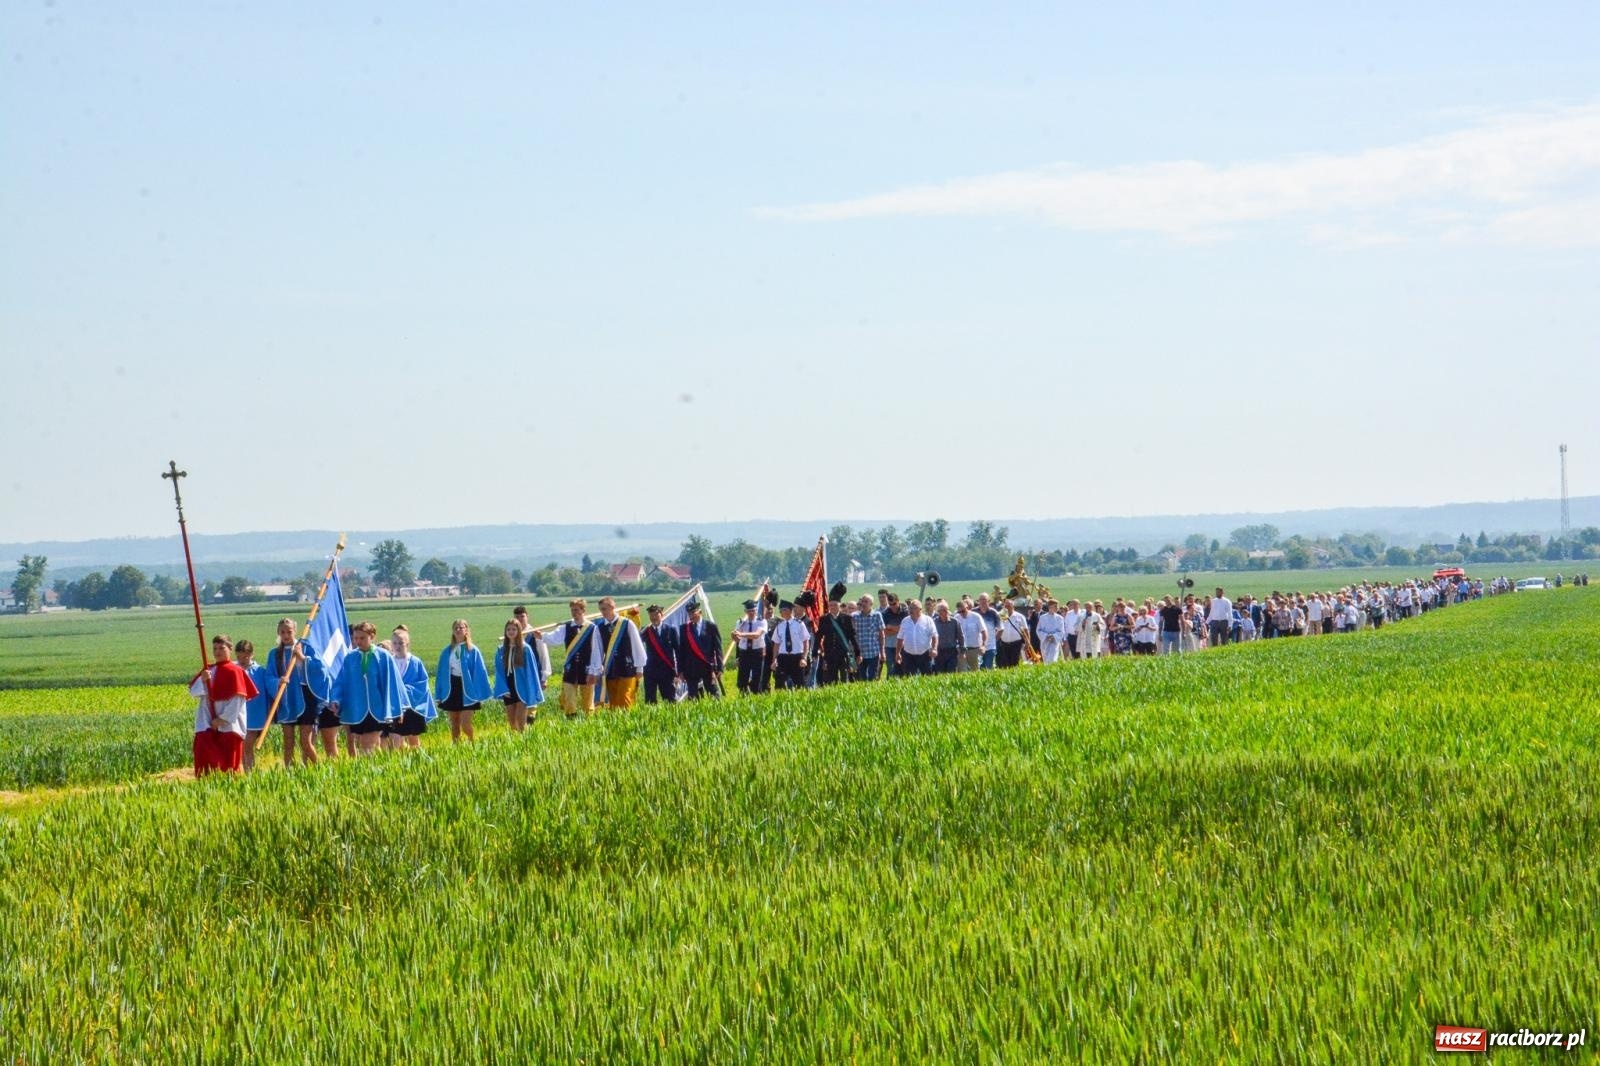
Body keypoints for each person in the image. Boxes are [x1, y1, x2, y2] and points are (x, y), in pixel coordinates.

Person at [327, 621, 407, 755]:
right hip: (358, 709)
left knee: (367, 742)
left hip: (378, 709)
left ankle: (368, 766)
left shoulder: (383, 656)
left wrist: (398, 707)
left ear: (372, 636)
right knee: (369, 743)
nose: (358, 641)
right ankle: (380, 765)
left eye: (362, 638)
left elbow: (394, 683)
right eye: (356, 638)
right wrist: (336, 699)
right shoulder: (350, 658)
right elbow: (341, 681)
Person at [190, 634, 259, 778]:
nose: (217, 652)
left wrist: (222, 720)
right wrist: (203, 680)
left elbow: (237, 701)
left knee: (227, 769)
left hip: (228, 727)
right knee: (205, 766)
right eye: (215, 648)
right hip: (206, 725)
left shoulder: (236, 671)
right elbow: (194, 692)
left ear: (230, 649)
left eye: (221, 648)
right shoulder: (208, 670)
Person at [262, 618, 324, 768]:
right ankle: (290, 771)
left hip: (305, 698)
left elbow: (319, 669)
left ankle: (319, 769)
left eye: (289, 632)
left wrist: (302, 658)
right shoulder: (274, 654)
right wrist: (278, 681)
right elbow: (269, 676)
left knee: (305, 741)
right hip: (286, 699)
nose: (286, 635)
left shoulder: (306, 648)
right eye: (282, 632)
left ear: (295, 631)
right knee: (288, 741)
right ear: (278, 633)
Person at [541, 599, 605, 718]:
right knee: (569, 698)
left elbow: (597, 650)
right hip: (571, 668)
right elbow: (554, 638)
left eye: (576, 610)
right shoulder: (566, 627)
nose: (574, 613)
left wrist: (595, 669)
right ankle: (571, 719)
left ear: (583, 610)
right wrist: (541, 635)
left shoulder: (592, 628)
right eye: (572, 610)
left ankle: (589, 721)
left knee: (587, 700)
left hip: (587, 668)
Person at [434, 618, 492, 743]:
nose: (458, 630)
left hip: (468, 689)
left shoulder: (473, 650)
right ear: (452, 631)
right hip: (452, 688)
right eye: (456, 628)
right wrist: (439, 693)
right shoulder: (447, 651)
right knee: (454, 723)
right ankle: (457, 747)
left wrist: (480, 692)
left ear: (466, 630)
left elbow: (480, 672)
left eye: (461, 627)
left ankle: (472, 742)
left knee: (465, 724)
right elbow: (441, 674)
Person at [388, 624, 436, 749]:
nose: (398, 646)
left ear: (407, 644)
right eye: (395, 643)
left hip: (413, 706)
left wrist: (404, 691)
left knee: (413, 738)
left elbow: (422, 684)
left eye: (401, 643)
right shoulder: (389, 662)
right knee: (395, 737)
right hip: (396, 706)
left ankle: (416, 758)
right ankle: (399, 760)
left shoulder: (415, 662)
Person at [595, 597, 646, 709]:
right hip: (610, 669)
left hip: (627, 667)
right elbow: (597, 651)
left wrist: (640, 667)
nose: (602, 612)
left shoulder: (627, 623)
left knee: (625, 700)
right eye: (601, 609)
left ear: (612, 607)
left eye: (604, 609)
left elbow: (637, 645)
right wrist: (597, 670)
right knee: (613, 702)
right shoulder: (600, 628)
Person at [494, 619, 545, 731]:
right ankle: (515, 741)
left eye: (514, 629)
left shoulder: (525, 649)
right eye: (508, 629)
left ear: (519, 631)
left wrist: (530, 690)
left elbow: (531, 672)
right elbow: (499, 672)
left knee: (520, 722)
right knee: (512, 723)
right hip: (508, 689)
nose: (511, 632)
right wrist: (503, 689)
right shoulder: (501, 650)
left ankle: (525, 740)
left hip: (522, 689)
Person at [236, 639, 273, 773]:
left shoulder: (260, 672)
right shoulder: (235, 671)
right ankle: (246, 773)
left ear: (251, 654)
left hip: (256, 716)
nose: (242, 660)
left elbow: (269, 692)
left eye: (245, 657)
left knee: (247, 745)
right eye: (239, 657)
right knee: (241, 748)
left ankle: (250, 773)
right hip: (238, 715)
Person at [677, 599, 722, 698]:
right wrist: (680, 670)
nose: (691, 616)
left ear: (700, 612)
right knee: (693, 697)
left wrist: (720, 667)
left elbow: (718, 648)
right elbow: (681, 651)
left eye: (693, 612)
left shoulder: (711, 626)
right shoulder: (684, 628)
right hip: (691, 668)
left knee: (714, 694)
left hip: (707, 666)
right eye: (689, 613)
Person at [640, 604, 682, 704]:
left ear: (661, 615)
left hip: (667, 670)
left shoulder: (670, 630)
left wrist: (679, 671)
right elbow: (636, 643)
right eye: (651, 615)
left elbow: (678, 651)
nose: (653, 617)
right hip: (650, 671)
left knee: (670, 700)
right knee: (650, 701)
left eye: (656, 614)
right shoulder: (645, 630)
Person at [815, 598, 860, 685]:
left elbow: (852, 637)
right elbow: (819, 636)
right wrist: (815, 651)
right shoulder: (824, 619)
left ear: (839, 606)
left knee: (844, 679)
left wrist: (857, 652)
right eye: (830, 605)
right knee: (831, 680)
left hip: (844, 653)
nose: (832, 607)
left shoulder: (847, 618)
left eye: (835, 605)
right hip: (830, 653)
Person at [770, 600, 811, 690]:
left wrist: (804, 658)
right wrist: (774, 660)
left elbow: (806, 642)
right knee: (779, 685)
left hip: (796, 657)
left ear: (790, 610)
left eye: (784, 610)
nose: (782, 612)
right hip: (783, 658)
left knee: (800, 685)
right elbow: (776, 644)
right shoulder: (779, 626)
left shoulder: (799, 624)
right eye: (781, 610)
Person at [731, 599, 768, 694]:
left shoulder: (762, 621)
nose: (751, 613)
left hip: (757, 652)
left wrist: (742, 634)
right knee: (742, 679)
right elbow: (736, 639)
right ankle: (744, 696)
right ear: (745, 611)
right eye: (749, 611)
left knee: (756, 679)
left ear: (756, 610)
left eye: (753, 610)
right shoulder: (741, 622)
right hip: (744, 653)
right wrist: (734, 635)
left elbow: (756, 635)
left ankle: (756, 695)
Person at [513, 605, 553, 690]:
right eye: (517, 617)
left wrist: (544, 678)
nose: (520, 619)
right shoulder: (512, 635)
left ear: (527, 616)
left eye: (522, 616)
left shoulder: (535, 634)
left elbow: (544, 655)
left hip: (533, 675)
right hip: (517, 676)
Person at [894, 598, 937, 676]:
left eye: (914, 608)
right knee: (909, 677)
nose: (911, 610)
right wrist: (898, 653)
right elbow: (900, 638)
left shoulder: (928, 620)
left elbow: (934, 636)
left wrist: (934, 649)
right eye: (910, 608)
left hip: (924, 654)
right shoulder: (905, 621)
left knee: (927, 677)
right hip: (908, 655)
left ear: (920, 609)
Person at [852, 595, 885, 681]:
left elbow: (881, 635)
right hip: (860, 653)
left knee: (872, 678)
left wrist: (882, 652)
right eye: (862, 601)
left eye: (866, 602)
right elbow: (851, 635)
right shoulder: (854, 616)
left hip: (873, 652)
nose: (863, 604)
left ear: (871, 604)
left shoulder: (877, 615)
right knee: (862, 678)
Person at [954, 597, 986, 672]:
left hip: (974, 649)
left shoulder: (976, 617)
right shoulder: (956, 618)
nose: (961, 613)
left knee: (975, 671)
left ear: (967, 608)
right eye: (959, 612)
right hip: (961, 650)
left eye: (963, 611)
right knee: (962, 672)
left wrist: (983, 645)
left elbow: (984, 631)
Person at [995, 600, 1029, 668]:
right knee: (1005, 663)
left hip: (1016, 643)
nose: (1007, 608)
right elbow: (997, 628)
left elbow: (1026, 630)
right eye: (1005, 606)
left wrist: (1027, 642)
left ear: (1013, 606)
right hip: (1004, 644)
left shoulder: (1019, 616)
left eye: (1009, 606)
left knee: (1014, 662)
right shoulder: (1001, 615)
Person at [932, 601, 962, 673]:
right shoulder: (934, 622)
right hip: (939, 652)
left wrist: (962, 650)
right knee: (940, 673)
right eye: (943, 610)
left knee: (951, 672)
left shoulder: (954, 621)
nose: (945, 612)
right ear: (938, 612)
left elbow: (960, 636)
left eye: (946, 610)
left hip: (952, 651)